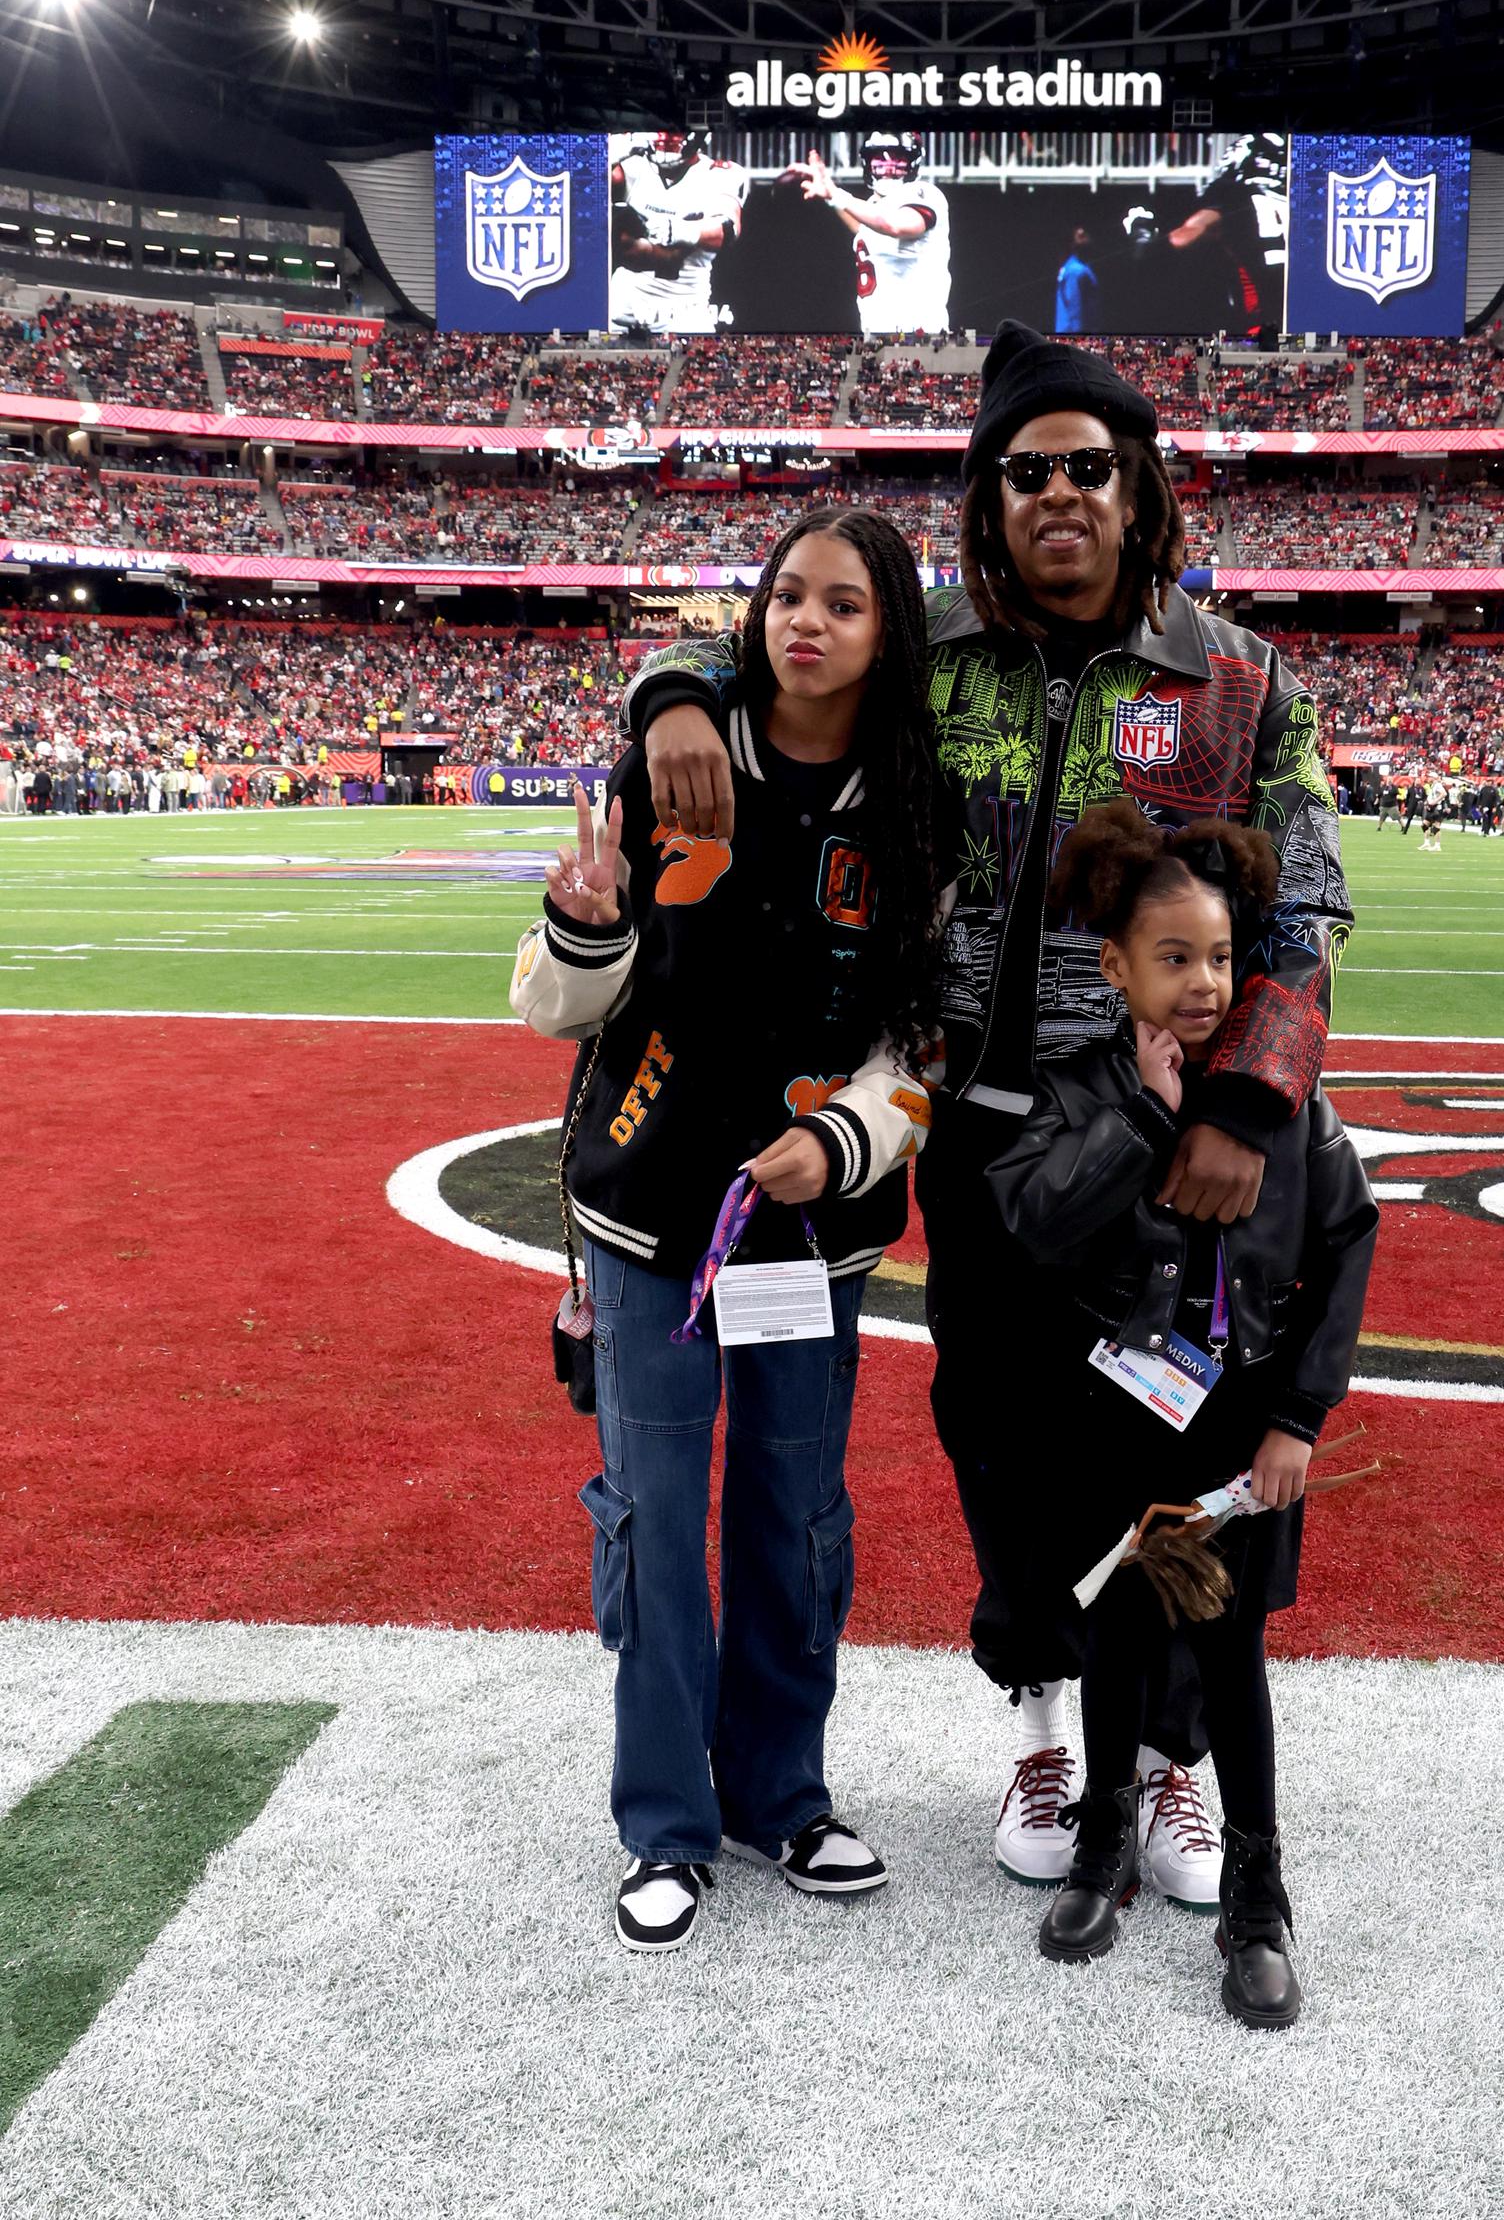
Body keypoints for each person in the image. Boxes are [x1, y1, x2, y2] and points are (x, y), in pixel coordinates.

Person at [621, 322, 1351, 1912]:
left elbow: (1305, 916)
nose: (1060, 496)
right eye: (1026, 472)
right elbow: (768, 664)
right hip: (973, 1139)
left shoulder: (1236, 679)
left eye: (1090, 465)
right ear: (988, 496)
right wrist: (670, 688)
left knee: (1181, 1443)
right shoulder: (929, 647)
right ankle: (1037, 1718)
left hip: (1161, 1156)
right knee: (999, 1447)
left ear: (1137, 483)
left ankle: (1162, 1761)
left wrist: (1243, 1099)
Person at [511, 505, 946, 1953]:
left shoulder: (916, 811)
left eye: (842, 603)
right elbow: (553, 1008)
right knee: (650, 1514)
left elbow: (925, 1042)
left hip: (813, 1239)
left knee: (795, 1517)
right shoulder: (676, 756)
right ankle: (664, 1824)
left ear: (890, 632)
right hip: (647, 1220)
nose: (803, 621)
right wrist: (581, 924)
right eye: (784, 596)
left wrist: (846, 1137)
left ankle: (783, 1792)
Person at [987, 800, 1375, 2024]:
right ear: (1113, 967)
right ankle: (1101, 1847)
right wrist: (1141, 1123)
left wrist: (1298, 1418)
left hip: (1239, 1425)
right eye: (1172, 959)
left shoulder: (1279, 1100)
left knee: (1229, 1652)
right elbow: (1031, 1227)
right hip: (1112, 1422)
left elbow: (1346, 1240)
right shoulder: (1077, 1088)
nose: (1203, 983)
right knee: (1109, 1637)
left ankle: (1258, 1899)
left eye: (1218, 956)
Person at [801, 132, 952, 338]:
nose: (888, 166)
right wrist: (831, 195)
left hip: (920, 336)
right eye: (880, 158)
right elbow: (866, 228)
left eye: (897, 158)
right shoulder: (874, 206)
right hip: (877, 336)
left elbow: (894, 226)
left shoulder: (925, 193)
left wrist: (837, 195)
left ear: (913, 161)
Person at [608, 129, 749, 336]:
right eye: (658, 130)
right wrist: (601, 157)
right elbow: (575, 193)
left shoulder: (717, 173)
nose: (664, 137)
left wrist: (679, 230)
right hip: (625, 306)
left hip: (684, 309)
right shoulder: (632, 167)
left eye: (673, 132)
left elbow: (728, 230)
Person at [1053, 229, 1100, 336]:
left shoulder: (1075, 266)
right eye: (1082, 236)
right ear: (1072, 243)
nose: (1087, 238)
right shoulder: (1076, 271)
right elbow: (1075, 311)